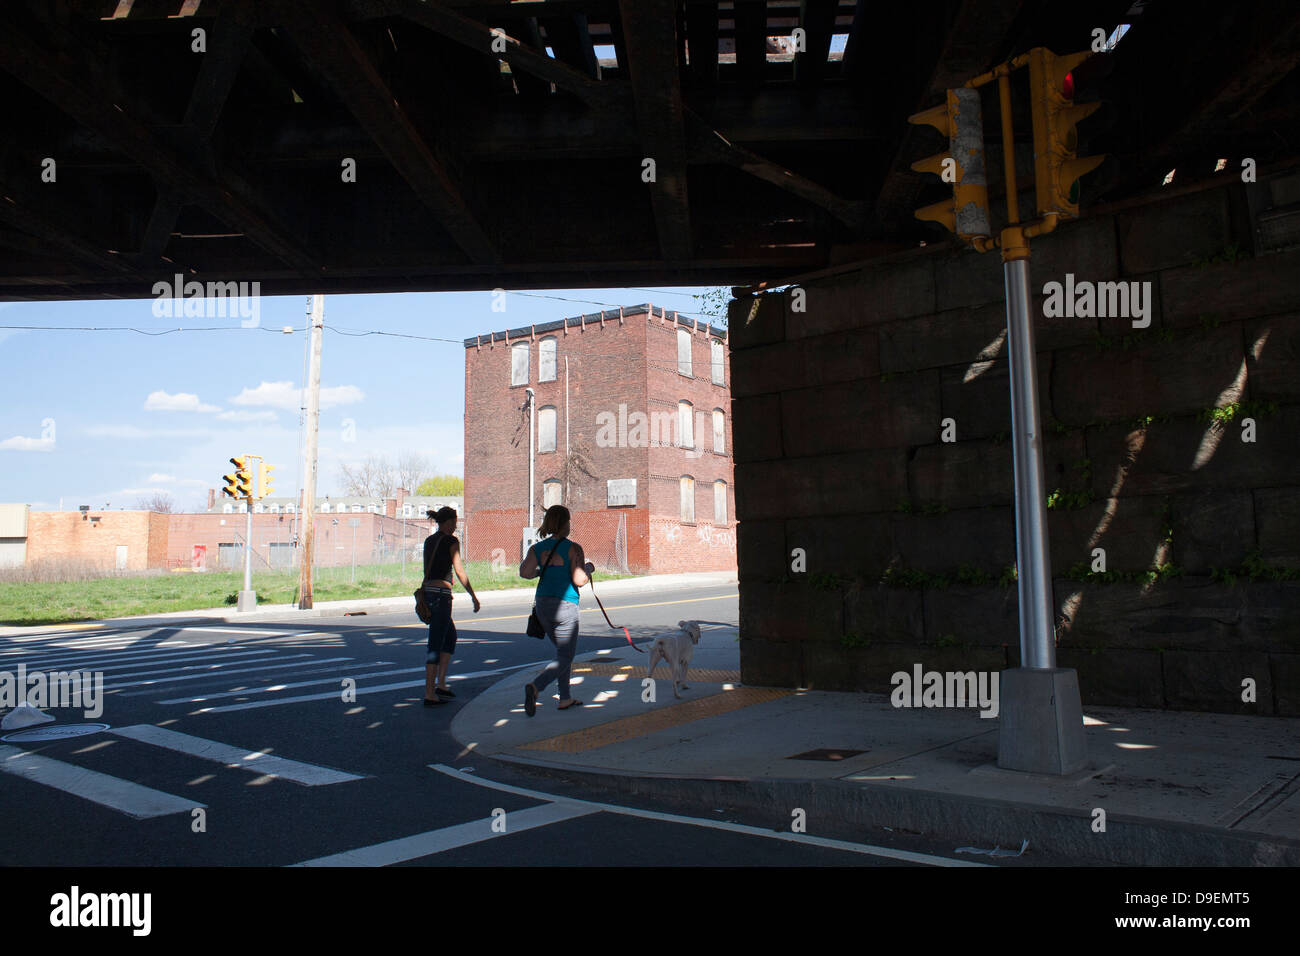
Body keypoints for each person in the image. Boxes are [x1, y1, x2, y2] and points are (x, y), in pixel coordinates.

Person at [519, 504, 595, 716]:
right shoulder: (573, 548)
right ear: (565, 523)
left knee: (563, 653)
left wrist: (541, 571)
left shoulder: (537, 548)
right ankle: (536, 687)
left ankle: (564, 698)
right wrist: (588, 568)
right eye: (569, 521)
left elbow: (525, 572)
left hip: (543, 605)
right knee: (566, 655)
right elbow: (579, 580)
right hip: (566, 606)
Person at [421, 507, 480, 705]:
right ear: (448, 522)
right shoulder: (451, 541)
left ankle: (442, 684)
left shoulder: (429, 541)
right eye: (454, 522)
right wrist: (473, 595)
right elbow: (459, 570)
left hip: (429, 593)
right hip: (442, 595)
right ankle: (430, 692)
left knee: (450, 637)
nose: (455, 526)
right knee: (436, 642)